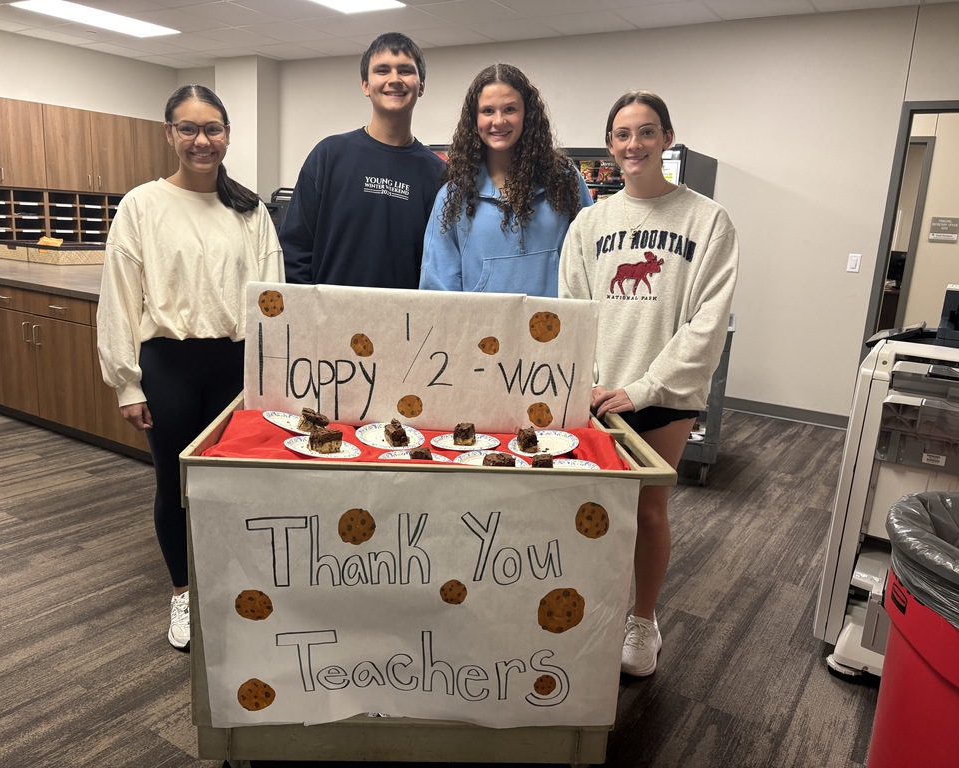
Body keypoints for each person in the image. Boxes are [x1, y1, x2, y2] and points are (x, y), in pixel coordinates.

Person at [97, 84, 284, 651]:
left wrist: (274, 376)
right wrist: (127, 383)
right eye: (188, 128)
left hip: (237, 366)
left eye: (213, 129)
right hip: (169, 366)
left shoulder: (250, 210)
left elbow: (272, 298)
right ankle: (183, 594)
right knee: (175, 487)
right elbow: (120, 299)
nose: (202, 140)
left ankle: (234, 589)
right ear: (169, 134)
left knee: (237, 487)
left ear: (228, 135)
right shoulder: (142, 206)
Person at [559, 90, 738, 676]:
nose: (632, 144)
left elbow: (708, 324)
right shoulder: (590, 223)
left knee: (650, 510)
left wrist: (644, 386)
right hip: (595, 394)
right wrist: (583, 381)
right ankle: (593, 612)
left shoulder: (708, 221)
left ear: (667, 138)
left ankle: (642, 620)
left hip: (661, 397)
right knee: (594, 510)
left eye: (645, 132)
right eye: (621, 134)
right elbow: (571, 309)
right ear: (610, 145)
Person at [281, 32, 445, 289]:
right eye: (382, 70)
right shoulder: (328, 156)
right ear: (365, 85)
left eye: (405, 70)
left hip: (406, 323)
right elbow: (295, 250)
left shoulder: (438, 174)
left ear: (421, 85)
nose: (394, 79)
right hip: (326, 322)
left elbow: (441, 264)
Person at [419, 63, 592, 297]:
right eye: (488, 111)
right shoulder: (454, 196)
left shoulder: (564, 180)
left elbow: (590, 257)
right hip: (482, 332)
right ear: (474, 118)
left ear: (527, 114)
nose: (498, 121)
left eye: (510, 109)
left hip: (556, 328)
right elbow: (438, 286)